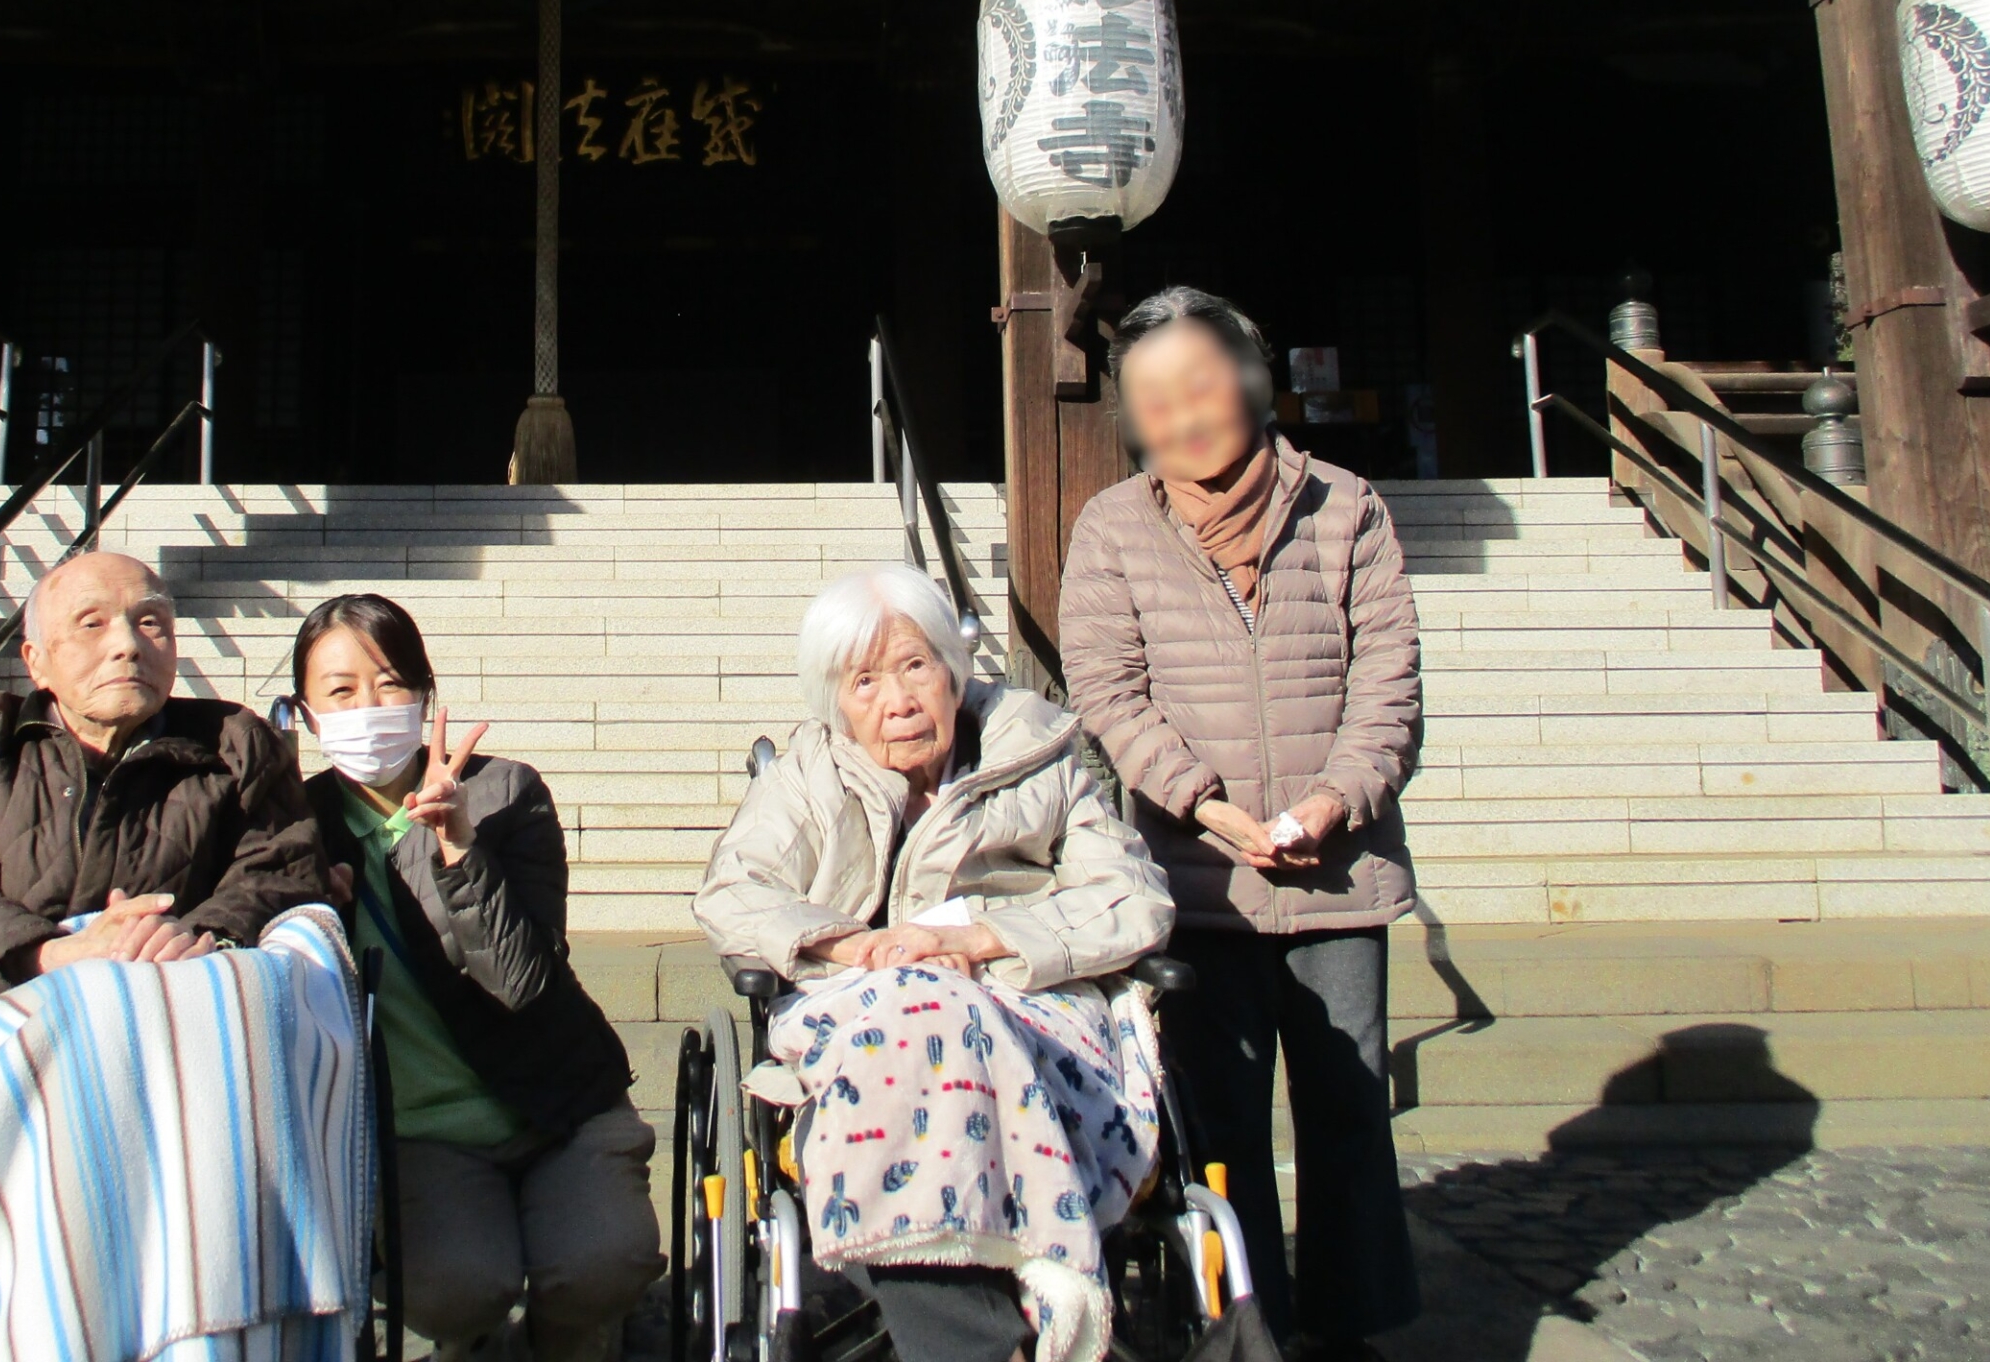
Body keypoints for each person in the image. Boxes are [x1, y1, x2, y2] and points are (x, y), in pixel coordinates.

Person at [1058, 285, 1424, 1361]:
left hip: (1337, 874)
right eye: (1155, 396)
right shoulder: (1111, 527)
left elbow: (1388, 687)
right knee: (1219, 1130)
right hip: (1195, 881)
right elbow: (1107, 692)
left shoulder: (1347, 507)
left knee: (1350, 1116)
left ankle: (1353, 1327)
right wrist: (1206, 805)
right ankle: (1243, 1330)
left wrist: (1331, 801)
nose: (1184, 415)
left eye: (1203, 384)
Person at [695, 564, 1174, 1362]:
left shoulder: (1039, 758)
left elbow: (1133, 897)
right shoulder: (808, 777)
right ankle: (1008, 1321)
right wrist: (858, 945)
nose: (899, 698)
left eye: (916, 665)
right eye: (866, 680)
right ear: (836, 704)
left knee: (942, 1012)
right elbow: (733, 895)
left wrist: (979, 940)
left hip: (1026, 1005)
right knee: (921, 1015)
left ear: (954, 670)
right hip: (863, 1005)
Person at [281, 592, 659, 1362]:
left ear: (424, 693)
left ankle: (570, 1336)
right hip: (418, 1133)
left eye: (390, 682)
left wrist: (456, 849)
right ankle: (478, 1339)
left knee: (601, 1267)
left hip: (558, 1104)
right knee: (457, 1289)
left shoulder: (504, 792)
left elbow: (520, 979)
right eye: (341, 690)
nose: (370, 706)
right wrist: (309, 901)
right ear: (308, 714)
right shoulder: (293, 825)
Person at [0, 548, 329, 995]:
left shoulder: (236, 743)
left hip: (186, 990)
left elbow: (281, 868)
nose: (128, 646)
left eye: (150, 622)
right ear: (36, 660)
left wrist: (197, 935)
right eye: (92, 623)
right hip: (10, 995)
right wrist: (53, 952)